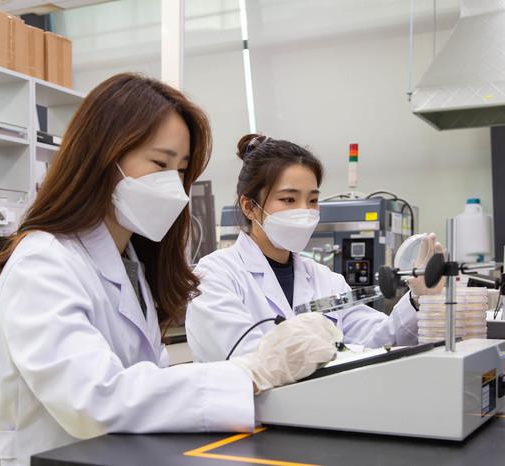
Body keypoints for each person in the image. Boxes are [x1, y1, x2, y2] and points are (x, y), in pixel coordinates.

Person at [0, 76, 341, 466]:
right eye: (160, 164)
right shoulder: (43, 261)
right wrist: (252, 372)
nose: (174, 186)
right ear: (102, 157)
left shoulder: (130, 264)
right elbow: (94, 399)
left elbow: (145, 386)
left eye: (181, 170)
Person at [186, 134, 442, 363]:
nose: (304, 211)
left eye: (312, 200)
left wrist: (417, 298)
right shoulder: (216, 275)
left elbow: (379, 342)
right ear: (250, 207)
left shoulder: (326, 280)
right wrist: (327, 347)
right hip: (249, 403)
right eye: (288, 199)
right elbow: (245, 359)